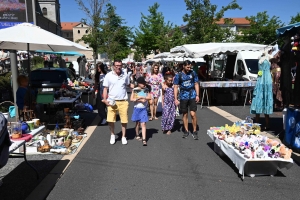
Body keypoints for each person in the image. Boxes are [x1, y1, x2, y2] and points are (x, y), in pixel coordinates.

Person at [102, 60, 133, 145]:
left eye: (120, 65)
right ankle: (112, 134)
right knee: (110, 120)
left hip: (123, 101)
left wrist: (137, 87)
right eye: (116, 65)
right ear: (113, 66)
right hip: (112, 101)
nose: (118, 67)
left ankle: (123, 136)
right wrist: (104, 99)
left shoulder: (125, 75)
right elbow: (105, 88)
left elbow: (128, 84)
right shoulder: (108, 76)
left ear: (122, 66)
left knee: (124, 120)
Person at [174, 60, 200, 140]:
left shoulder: (193, 73)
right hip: (183, 96)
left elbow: (196, 84)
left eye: (190, 67)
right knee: (185, 114)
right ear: (183, 66)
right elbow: (175, 86)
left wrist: (197, 95)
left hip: (192, 95)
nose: (189, 68)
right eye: (187, 67)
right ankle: (186, 130)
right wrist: (175, 98)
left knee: (193, 114)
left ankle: (195, 130)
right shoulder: (179, 75)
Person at [250, 51, 273, 131]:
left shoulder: (269, 57)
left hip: (265, 78)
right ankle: (260, 124)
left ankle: (264, 124)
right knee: (260, 99)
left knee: (262, 98)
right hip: (263, 78)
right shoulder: (263, 58)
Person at [130, 77, 151, 146]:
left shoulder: (146, 90)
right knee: (137, 123)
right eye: (142, 83)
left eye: (144, 83)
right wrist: (138, 99)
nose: (144, 84)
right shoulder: (135, 90)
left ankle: (144, 139)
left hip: (143, 108)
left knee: (143, 123)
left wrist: (143, 98)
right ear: (138, 84)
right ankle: (137, 134)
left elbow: (149, 97)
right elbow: (131, 99)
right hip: (137, 108)